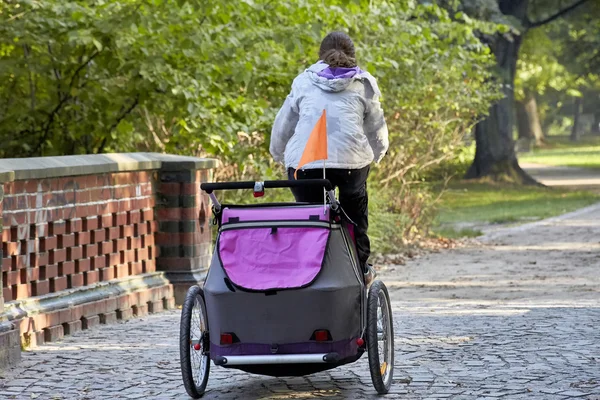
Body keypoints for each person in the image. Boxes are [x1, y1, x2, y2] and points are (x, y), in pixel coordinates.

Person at [269, 31, 389, 285]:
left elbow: (285, 122)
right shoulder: (364, 82)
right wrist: (379, 152)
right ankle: (360, 268)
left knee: (308, 217)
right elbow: (376, 125)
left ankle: (306, 272)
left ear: (320, 56)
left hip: (306, 162)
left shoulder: (303, 81)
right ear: (353, 55)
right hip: (351, 162)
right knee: (355, 209)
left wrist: (277, 153)